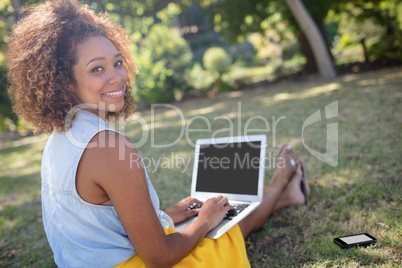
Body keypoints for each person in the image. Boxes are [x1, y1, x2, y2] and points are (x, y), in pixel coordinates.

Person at [6, 0, 310, 267]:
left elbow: (98, 230)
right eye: (97, 69)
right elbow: (160, 258)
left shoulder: (59, 139)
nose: (117, 77)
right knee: (225, 230)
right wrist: (203, 221)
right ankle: (284, 179)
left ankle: (284, 194)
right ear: (64, 82)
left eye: (118, 62)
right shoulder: (109, 147)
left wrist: (169, 214)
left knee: (205, 216)